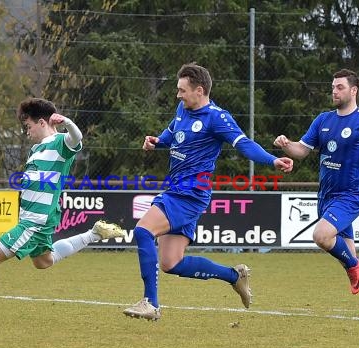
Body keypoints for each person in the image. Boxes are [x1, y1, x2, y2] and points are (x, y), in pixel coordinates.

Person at [0, 98, 124, 325]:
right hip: (37, 220)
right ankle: (95, 233)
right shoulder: (36, 149)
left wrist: (67, 122)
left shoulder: (61, 143)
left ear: (42, 122)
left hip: (34, 223)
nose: (27, 131)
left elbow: (77, 139)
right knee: (44, 261)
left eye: (28, 126)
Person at [123, 63, 293, 321]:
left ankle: (151, 303)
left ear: (199, 90)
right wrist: (156, 141)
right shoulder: (183, 109)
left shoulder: (217, 117)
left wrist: (273, 160)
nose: (178, 95)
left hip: (189, 193)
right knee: (171, 263)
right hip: (178, 189)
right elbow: (171, 136)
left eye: (182, 90)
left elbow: (244, 144)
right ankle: (234, 276)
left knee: (143, 231)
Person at [273, 69, 359, 319]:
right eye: (332, 87)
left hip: (350, 195)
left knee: (321, 236)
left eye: (339, 87)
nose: (334, 91)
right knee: (349, 257)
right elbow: (302, 151)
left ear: (353, 90)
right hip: (326, 196)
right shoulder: (323, 120)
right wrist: (286, 145)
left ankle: (354, 267)